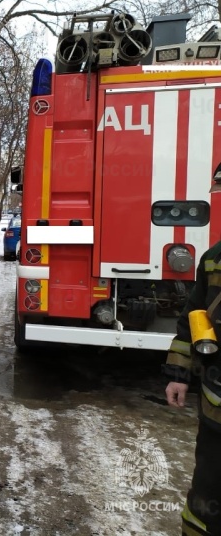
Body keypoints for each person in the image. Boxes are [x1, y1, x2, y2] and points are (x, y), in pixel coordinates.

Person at [165, 165, 221, 536]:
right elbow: (193, 319)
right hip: (216, 406)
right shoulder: (214, 258)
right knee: (206, 494)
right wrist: (178, 375)